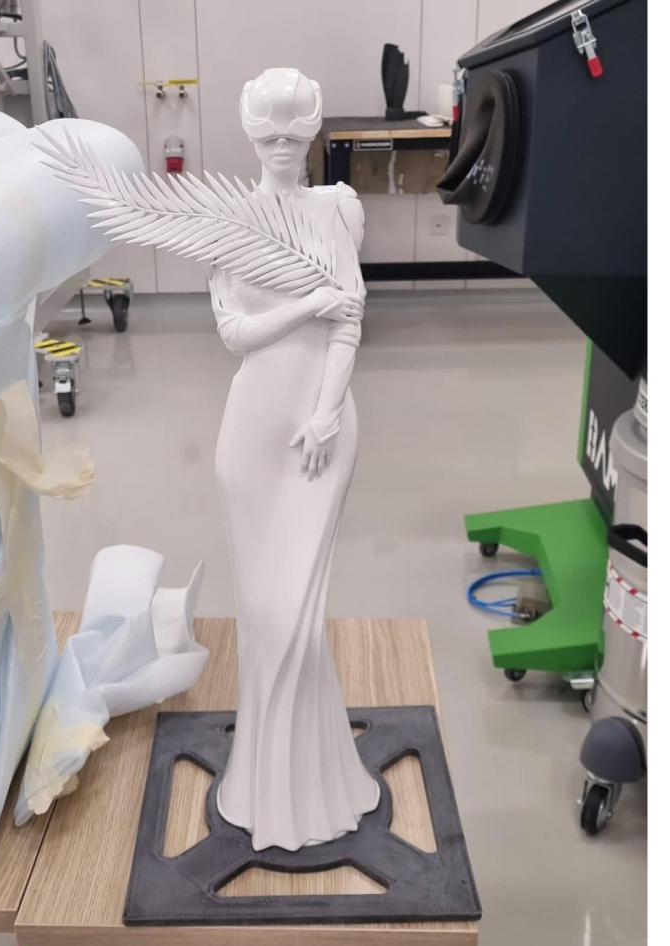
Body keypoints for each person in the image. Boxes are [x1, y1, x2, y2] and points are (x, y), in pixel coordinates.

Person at [208, 68, 381, 852]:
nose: (281, 145)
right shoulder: (228, 219)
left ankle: (315, 785)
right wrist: (307, 303)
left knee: (300, 616)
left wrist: (324, 414)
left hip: (321, 428)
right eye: (267, 132)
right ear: (250, 134)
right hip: (252, 430)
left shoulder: (338, 209)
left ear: (312, 132)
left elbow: (350, 323)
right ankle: (261, 782)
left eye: (294, 131)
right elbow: (235, 335)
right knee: (262, 612)